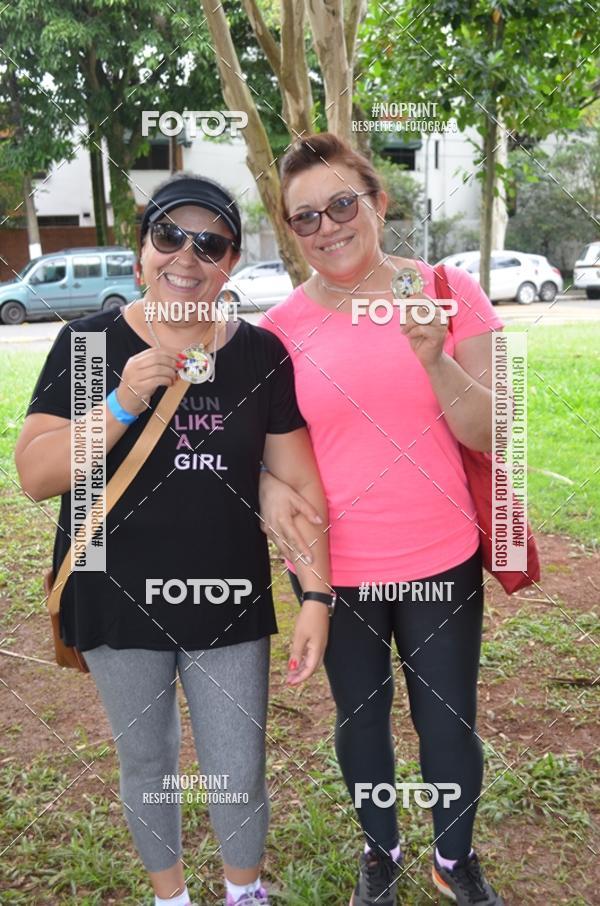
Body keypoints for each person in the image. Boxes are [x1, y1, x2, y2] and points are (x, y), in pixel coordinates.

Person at [15, 174, 333, 906]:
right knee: (147, 760)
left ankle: (242, 892)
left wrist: (314, 593)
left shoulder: (259, 356)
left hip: (227, 593)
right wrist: (124, 400)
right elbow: (36, 475)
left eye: (211, 242)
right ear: (141, 254)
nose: (187, 256)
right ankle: (171, 897)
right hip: (112, 589)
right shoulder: (90, 345)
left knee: (237, 761)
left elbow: (301, 486)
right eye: (169, 236)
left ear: (230, 263)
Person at [258, 134, 506, 906]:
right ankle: (382, 849)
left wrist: (436, 359)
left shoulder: (446, 288)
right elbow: (265, 456)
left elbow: (497, 433)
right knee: (360, 723)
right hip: (338, 574)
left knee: (447, 724)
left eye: (342, 204)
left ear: (378, 203)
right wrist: (267, 491)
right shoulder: (278, 331)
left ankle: (453, 857)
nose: (328, 226)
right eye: (306, 218)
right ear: (290, 230)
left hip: (440, 558)